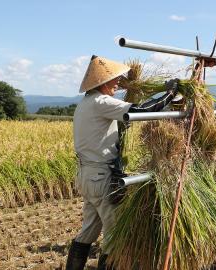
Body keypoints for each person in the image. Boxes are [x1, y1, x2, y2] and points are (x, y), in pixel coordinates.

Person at [66, 55, 180, 270]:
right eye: (114, 79)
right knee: (114, 237)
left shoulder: (85, 104)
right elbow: (142, 112)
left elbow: (107, 130)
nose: (118, 83)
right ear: (102, 82)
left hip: (87, 176)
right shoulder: (102, 102)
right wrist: (170, 94)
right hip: (101, 177)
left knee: (87, 232)